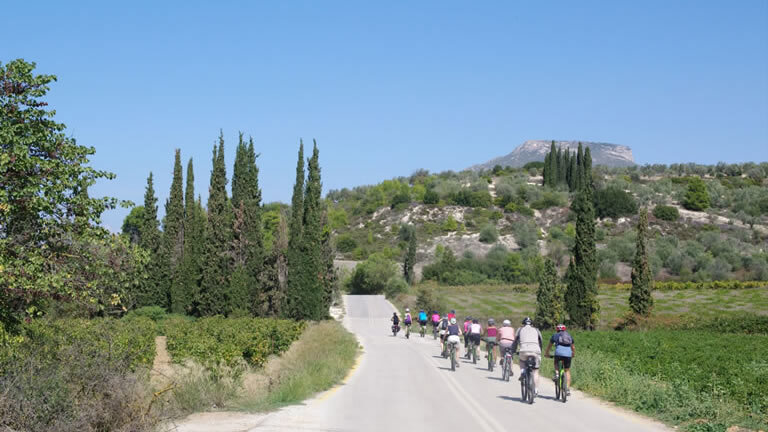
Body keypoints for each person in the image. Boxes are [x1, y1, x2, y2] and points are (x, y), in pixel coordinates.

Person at [511, 317, 543, 397]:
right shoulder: (536, 330)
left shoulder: (520, 329)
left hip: (524, 350)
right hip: (536, 350)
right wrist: (540, 350)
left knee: (522, 361)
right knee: (536, 371)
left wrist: (513, 350)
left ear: (523, 323)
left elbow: (515, 341)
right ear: (531, 324)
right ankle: (536, 390)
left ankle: (522, 372)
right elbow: (541, 341)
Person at [544, 324, 575, 396]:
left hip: (558, 353)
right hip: (568, 354)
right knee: (567, 370)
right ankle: (567, 389)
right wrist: (572, 354)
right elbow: (573, 347)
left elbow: (549, 346)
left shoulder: (555, 335)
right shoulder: (569, 335)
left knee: (556, 362)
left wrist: (547, 353)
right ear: (565, 329)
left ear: (557, 329)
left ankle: (557, 374)